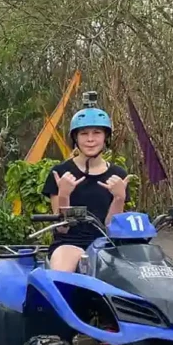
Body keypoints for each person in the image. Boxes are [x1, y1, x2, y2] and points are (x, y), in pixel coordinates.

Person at [40, 106, 132, 273]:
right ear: (75, 138)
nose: (90, 139)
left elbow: (111, 227)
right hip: (70, 243)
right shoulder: (60, 173)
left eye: (96, 132)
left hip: (107, 245)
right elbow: (62, 228)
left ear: (106, 137)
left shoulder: (118, 175)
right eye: (84, 133)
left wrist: (119, 198)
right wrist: (64, 195)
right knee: (61, 278)